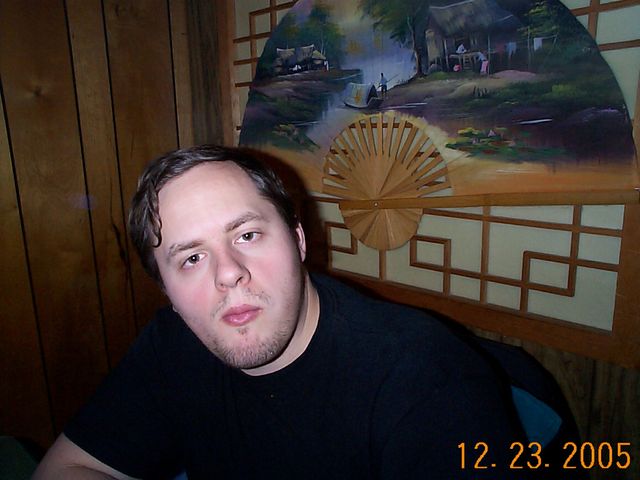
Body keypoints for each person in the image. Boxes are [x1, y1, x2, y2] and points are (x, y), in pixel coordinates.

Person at [34, 145, 531, 479]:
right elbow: (67, 468)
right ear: (165, 288)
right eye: (192, 258)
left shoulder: (426, 380)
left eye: (247, 234)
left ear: (298, 240)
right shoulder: (172, 344)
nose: (228, 273)